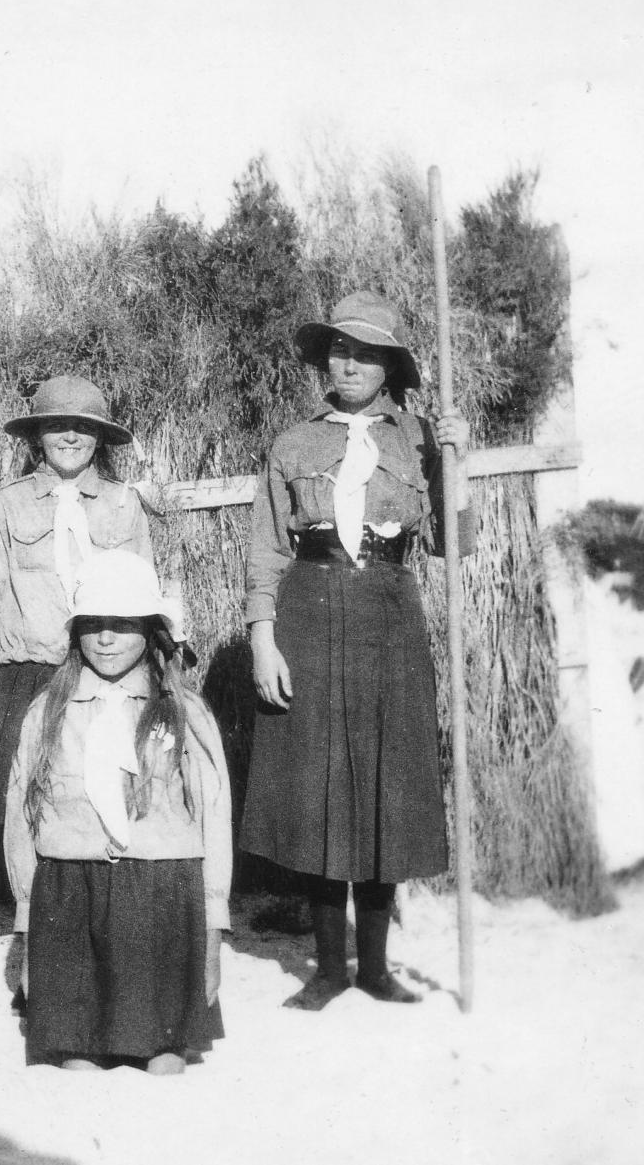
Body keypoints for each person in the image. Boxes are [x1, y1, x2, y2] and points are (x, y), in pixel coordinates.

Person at [242, 290, 475, 1011]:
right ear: (324, 359)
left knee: (384, 779)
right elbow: (266, 549)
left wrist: (456, 459)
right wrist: (260, 636)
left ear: (389, 368)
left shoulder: (419, 441)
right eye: (339, 349)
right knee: (318, 784)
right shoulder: (292, 443)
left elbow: (458, 543)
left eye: (366, 353)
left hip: (388, 609)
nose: (349, 363)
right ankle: (328, 968)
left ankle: (374, 967)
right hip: (309, 608)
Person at [5, 548, 229, 1075]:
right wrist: (27, 929)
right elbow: (22, 816)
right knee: (79, 1064)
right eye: (93, 624)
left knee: (163, 1060)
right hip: (69, 897)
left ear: (152, 631)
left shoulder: (183, 711)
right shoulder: (46, 712)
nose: (106, 639)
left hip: (161, 901)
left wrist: (213, 932)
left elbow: (213, 819)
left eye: (123, 624)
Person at [0, 374, 151, 905]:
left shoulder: (124, 504)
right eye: (56, 427)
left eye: (82, 427)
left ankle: (103, 907)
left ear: (99, 438)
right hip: (31, 672)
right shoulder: (8, 505)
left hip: (103, 673)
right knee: (23, 803)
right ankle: (33, 920)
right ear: (37, 437)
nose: (69, 438)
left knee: (101, 791)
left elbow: (144, 597)